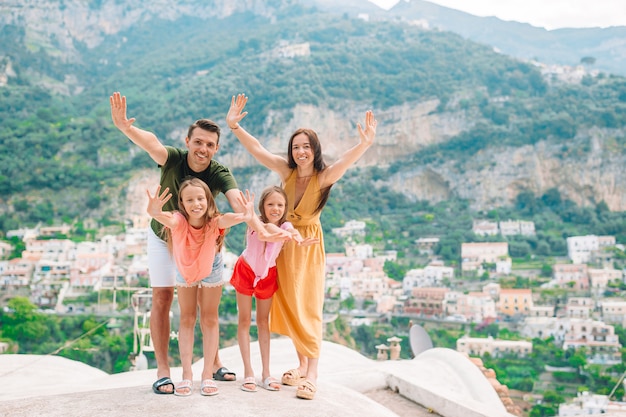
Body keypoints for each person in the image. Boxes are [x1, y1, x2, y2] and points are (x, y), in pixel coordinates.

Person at [110, 92, 286, 394]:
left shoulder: (218, 172)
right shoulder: (174, 159)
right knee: (163, 299)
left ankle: (213, 363)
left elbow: (237, 204)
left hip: (201, 243)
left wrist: (263, 229)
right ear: (188, 141)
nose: (203, 149)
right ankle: (164, 370)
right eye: (198, 142)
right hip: (164, 235)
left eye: (209, 144)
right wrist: (126, 128)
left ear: (216, 148)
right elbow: (151, 142)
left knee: (208, 308)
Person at [225, 94, 377, 400]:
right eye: (296, 146)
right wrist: (234, 127)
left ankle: (313, 373)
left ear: (315, 150)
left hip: (307, 245)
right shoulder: (286, 172)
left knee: (308, 304)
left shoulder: (324, 177)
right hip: (282, 244)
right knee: (290, 303)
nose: (301, 151)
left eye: (306, 146)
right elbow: (258, 150)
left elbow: (347, 160)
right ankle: (301, 364)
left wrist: (365, 143)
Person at [146, 179, 254, 396]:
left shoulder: (214, 221)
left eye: (200, 198)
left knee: (209, 317)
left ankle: (206, 374)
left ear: (208, 200)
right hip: (185, 268)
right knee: (187, 318)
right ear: (182, 204)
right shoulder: (178, 220)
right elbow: (164, 217)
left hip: (210, 265)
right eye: (189, 200)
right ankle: (187, 374)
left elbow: (231, 219)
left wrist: (245, 214)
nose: (196, 203)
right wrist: (154, 211)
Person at [230, 186, 318, 393]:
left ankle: (266, 373)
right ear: (263, 206)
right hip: (246, 271)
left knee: (263, 322)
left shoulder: (286, 225)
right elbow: (267, 233)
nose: (275, 208)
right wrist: (286, 235)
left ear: (285, 207)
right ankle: (248, 372)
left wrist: (297, 238)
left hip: (267, 276)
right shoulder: (255, 222)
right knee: (244, 321)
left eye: (280, 205)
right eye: (270, 204)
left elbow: (291, 230)